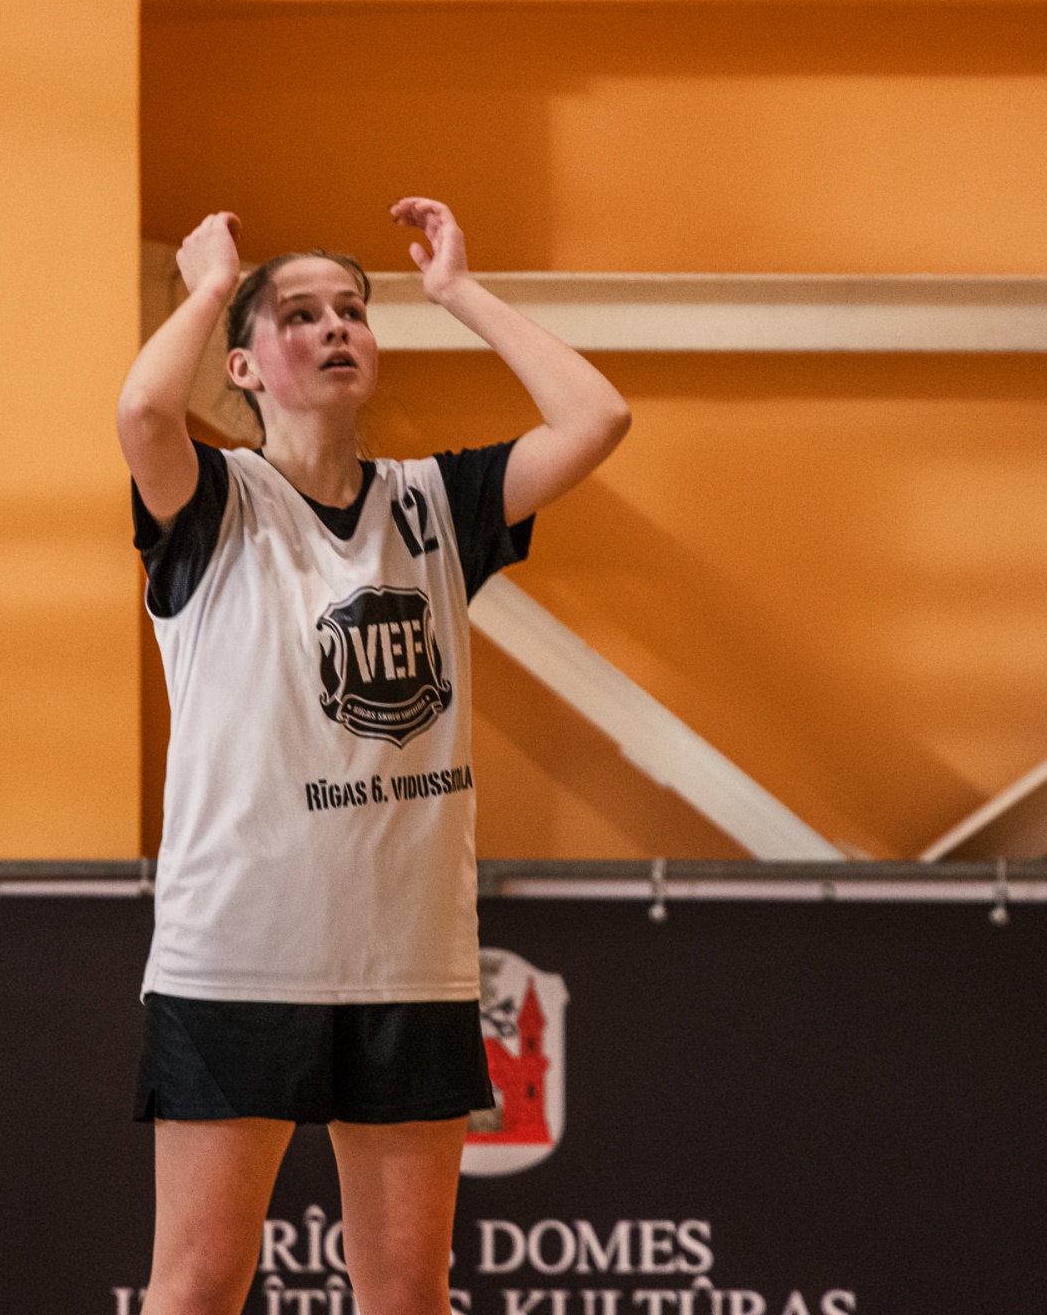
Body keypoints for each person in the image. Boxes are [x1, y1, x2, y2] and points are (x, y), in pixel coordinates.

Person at [116, 197, 630, 1315]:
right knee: (199, 1284)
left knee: (407, 1292)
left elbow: (597, 416)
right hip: (238, 956)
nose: (336, 326)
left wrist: (458, 292)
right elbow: (145, 409)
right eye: (300, 315)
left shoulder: (434, 502)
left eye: (351, 309)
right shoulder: (218, 502)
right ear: (243, 367)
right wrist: (212, 289)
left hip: (410, 959)